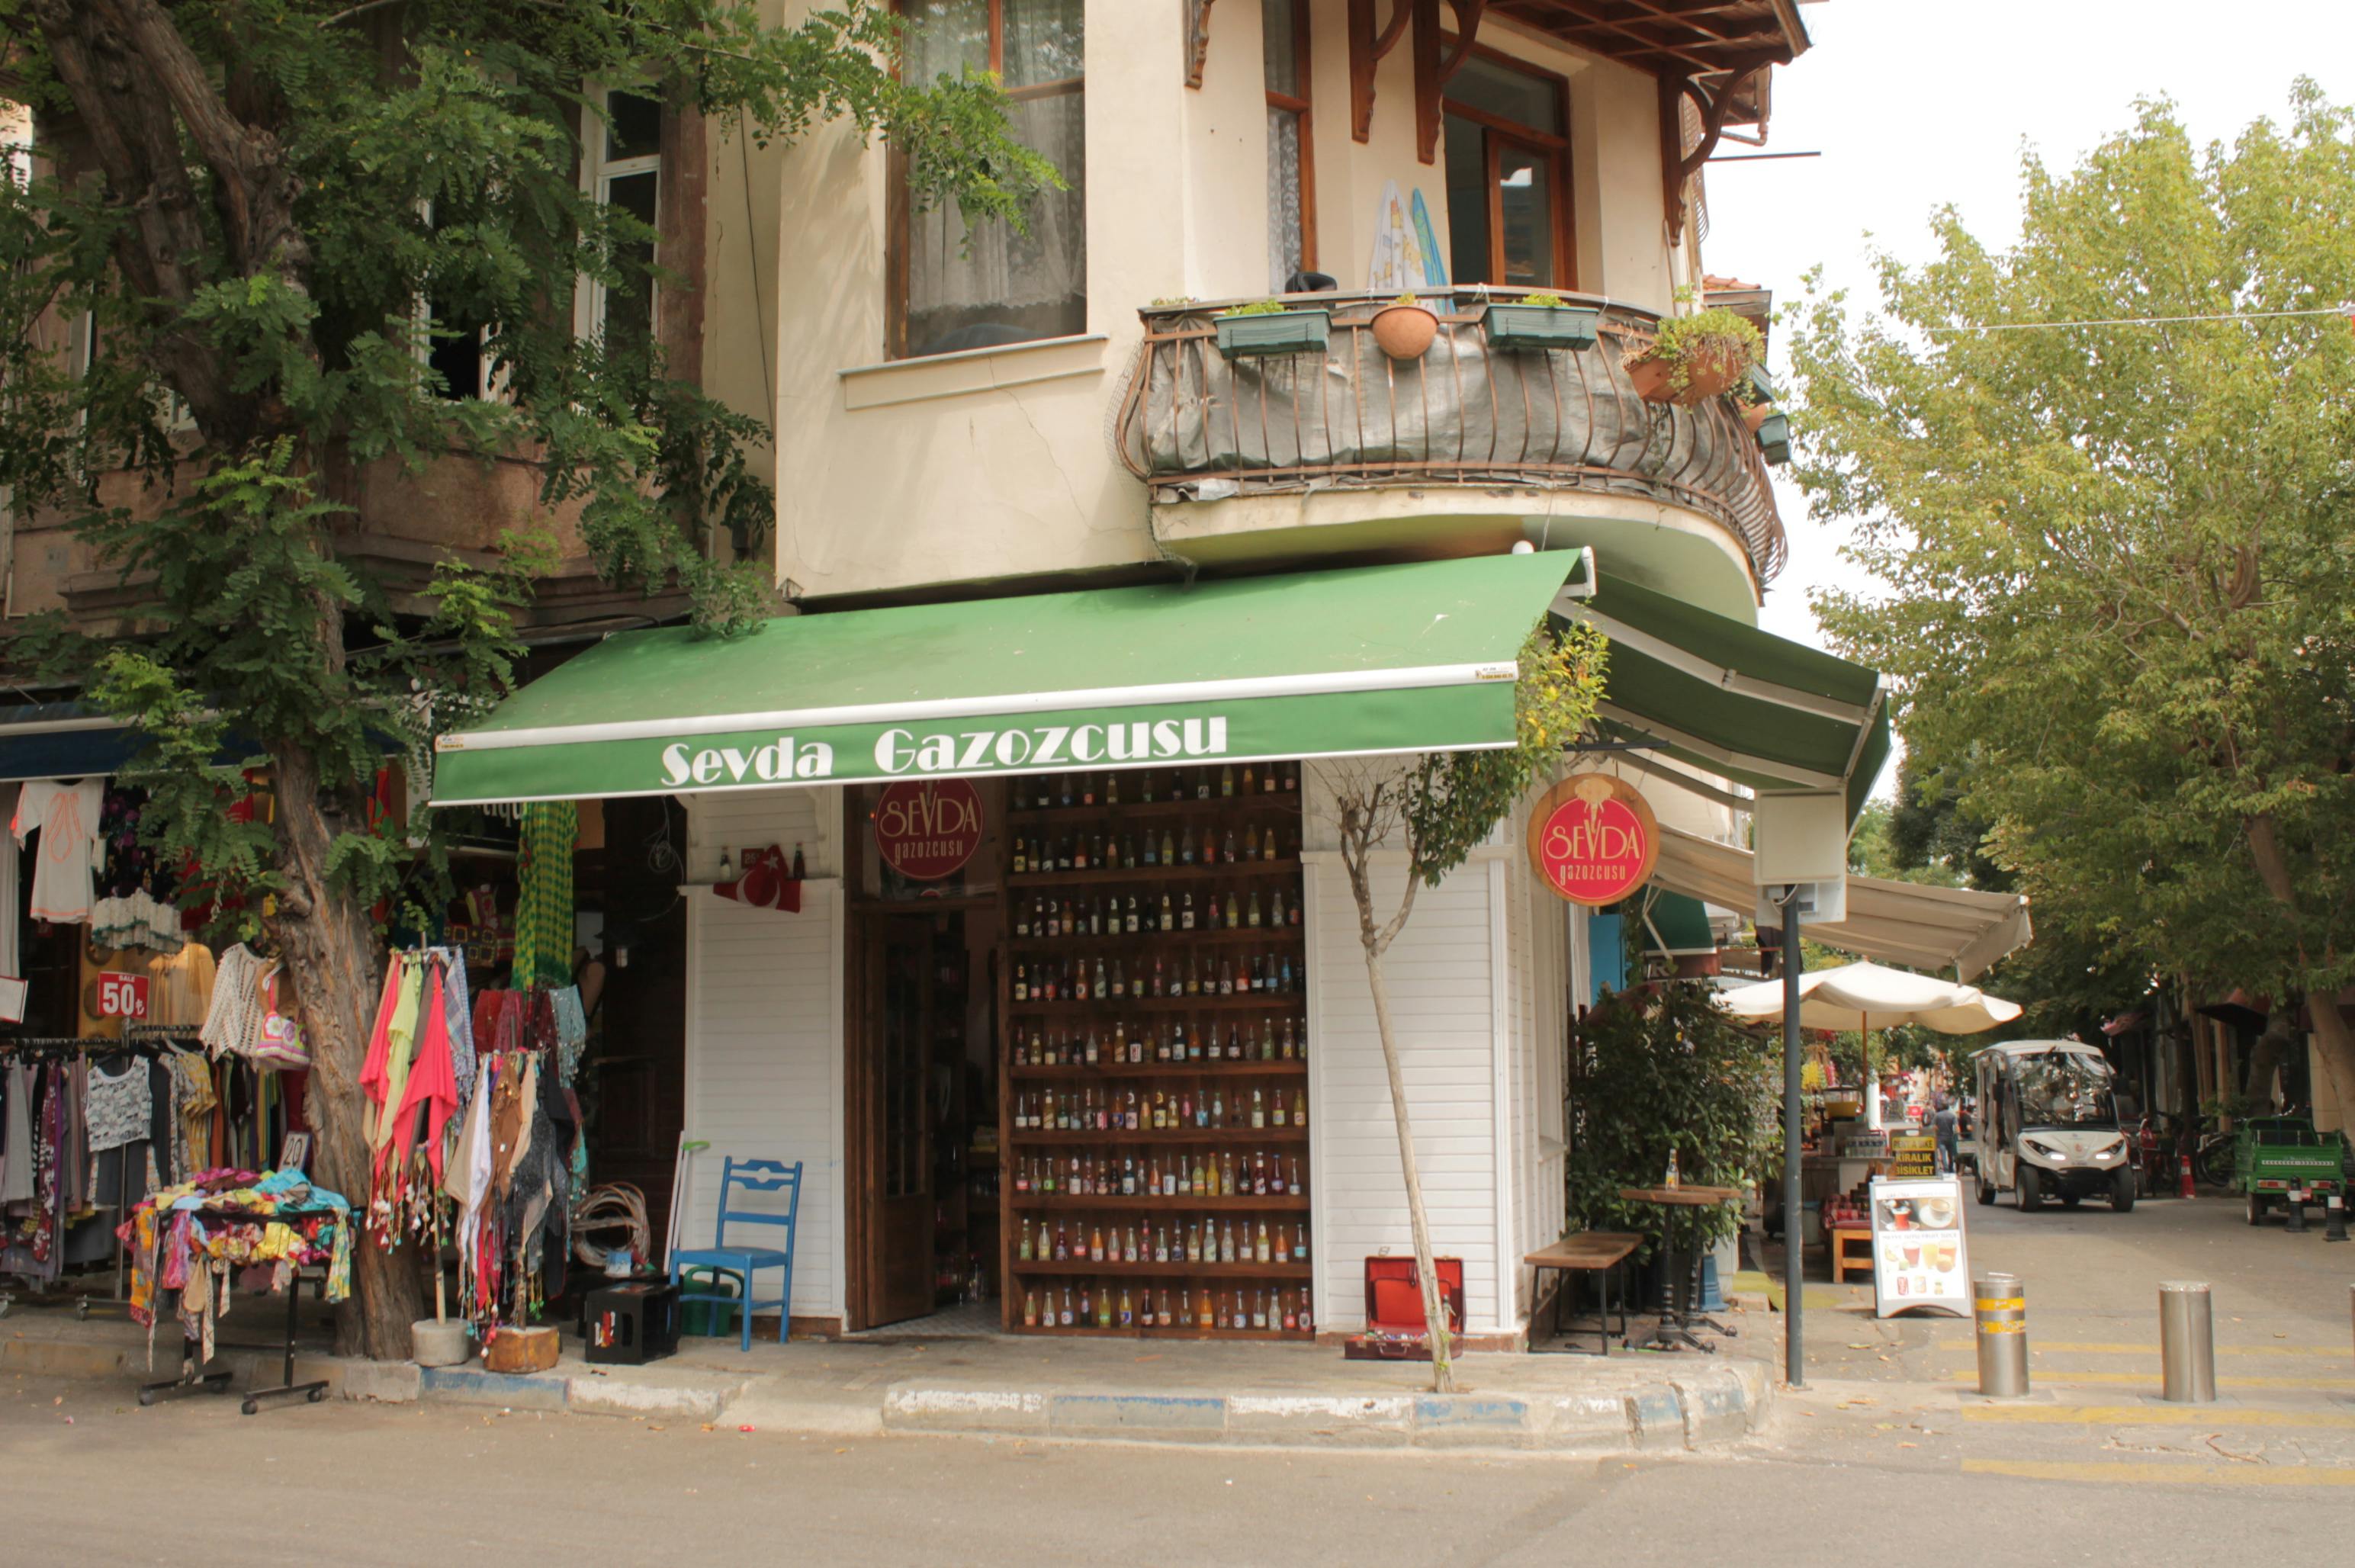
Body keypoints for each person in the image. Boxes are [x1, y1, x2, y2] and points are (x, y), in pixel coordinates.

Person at [1934, 1101, 1959, 1174]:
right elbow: (1956, 1127)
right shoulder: (1952, 1115)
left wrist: (1937, 1132)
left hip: (1940, 1137)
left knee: (1943, 1154)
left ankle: (1946, 1168)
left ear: (1942, 1107)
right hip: (1950, 1137)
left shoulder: (1937, 1115)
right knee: (1951, 1154)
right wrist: (1956, 1134)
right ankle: (1951, 1168)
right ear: (1948, 1107)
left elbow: (1934, 1127)